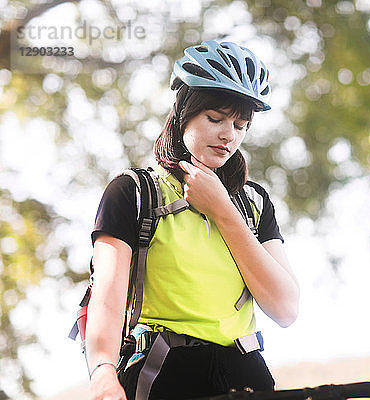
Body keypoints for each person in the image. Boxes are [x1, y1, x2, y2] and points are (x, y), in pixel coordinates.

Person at [84, 40, 300, 400]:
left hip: (245, 374)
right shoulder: (134, 192)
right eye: (215, 118)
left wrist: (224, 211)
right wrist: (104, 373)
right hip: (164, 370)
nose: (228, 135)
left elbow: (285, 308)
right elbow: (106, 297)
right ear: (184, 112)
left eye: (241, 124)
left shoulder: (255, 203)